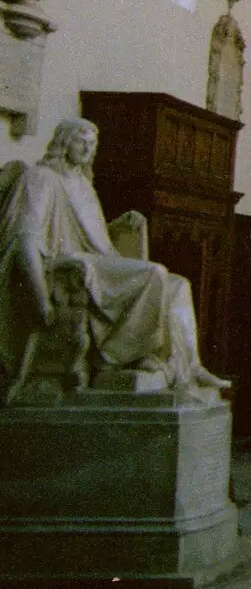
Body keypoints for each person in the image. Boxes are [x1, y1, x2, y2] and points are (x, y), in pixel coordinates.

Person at [0, 118, 228, 397]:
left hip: (95, 261)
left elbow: (94, 239)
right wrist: (40, 297)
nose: (87, 148)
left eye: (92, 143)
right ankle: (115, 357)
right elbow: (26, 237)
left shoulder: (83, 184)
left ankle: (190, 367)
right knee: (154, 273)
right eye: (80, 140)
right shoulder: (41, 178)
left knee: (178, 285)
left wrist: (120, 225)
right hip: (69, 265)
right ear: (63, 142)